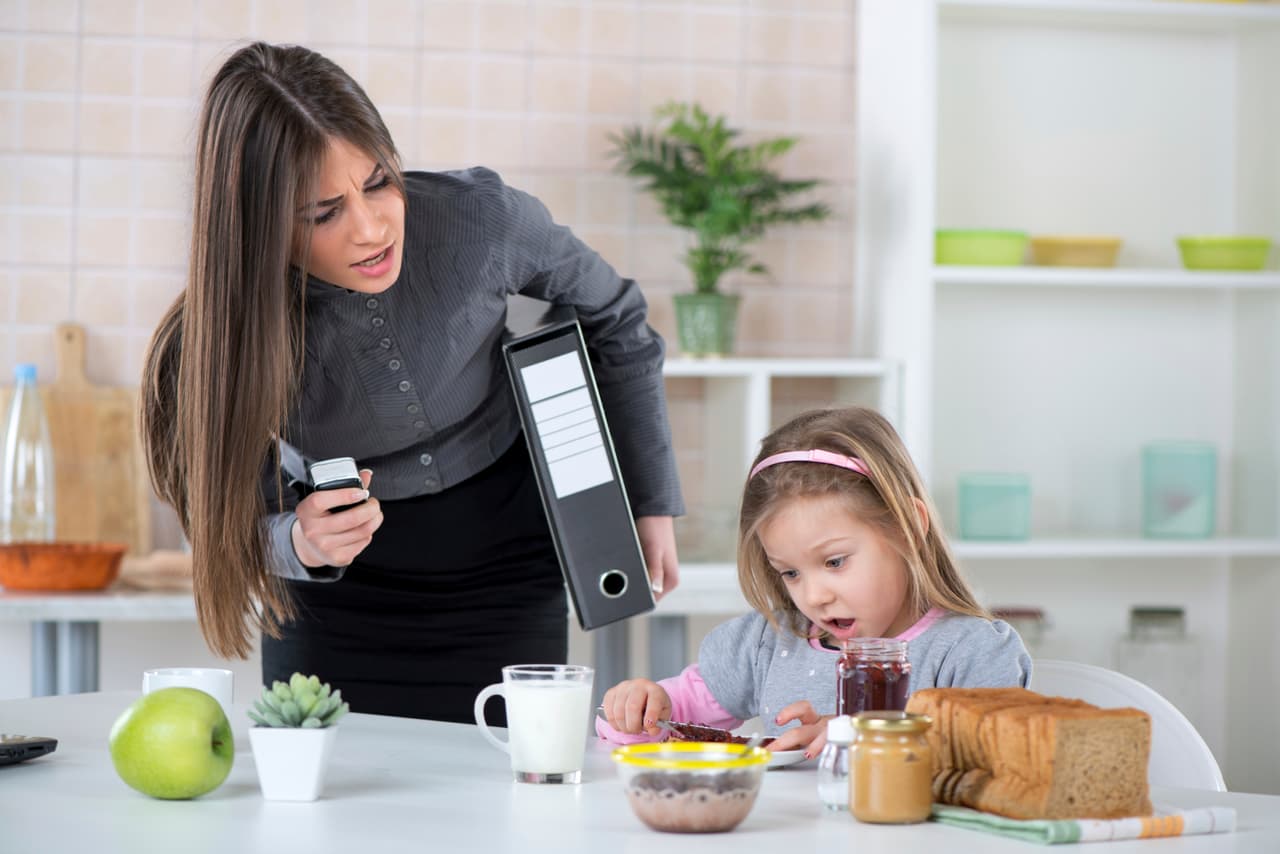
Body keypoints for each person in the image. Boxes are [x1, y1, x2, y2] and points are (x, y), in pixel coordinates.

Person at [139, 42, 683, 724]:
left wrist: (647, 499)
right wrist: (300, 543)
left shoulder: (483, 221)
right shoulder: (209, 342)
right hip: (340, 598)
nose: (371, 230)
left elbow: (618, 316)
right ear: (256, 224)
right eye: (322, 213)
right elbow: (223, 527)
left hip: (511, 565)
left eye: (376, 182)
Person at [597, 406, 1029, 757]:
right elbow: (665, 724)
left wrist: (866, 737)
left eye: (835, 562)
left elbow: (997, 757)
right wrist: (639, 708)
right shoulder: (767, 644)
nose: (814, 596)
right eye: (790, 573)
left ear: (908, 527)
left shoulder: (970, 652)